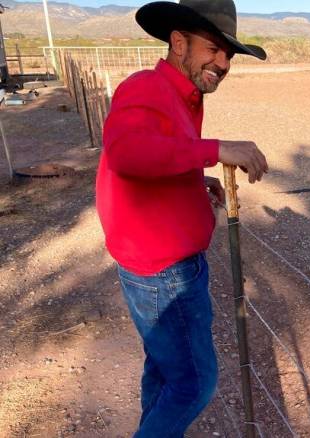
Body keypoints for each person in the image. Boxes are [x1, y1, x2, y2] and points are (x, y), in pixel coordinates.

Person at [95, 1, 267, 436]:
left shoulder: (180, 94)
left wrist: (195, 178)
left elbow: (159, 152)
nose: (223, 63)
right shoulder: (146, 88)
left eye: (229, 54)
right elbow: (127, 153)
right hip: (163, 274)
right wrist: (215, 149)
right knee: (194, 384)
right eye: (213, 48)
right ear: (178, 42)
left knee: (164, 372)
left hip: (161, 267)